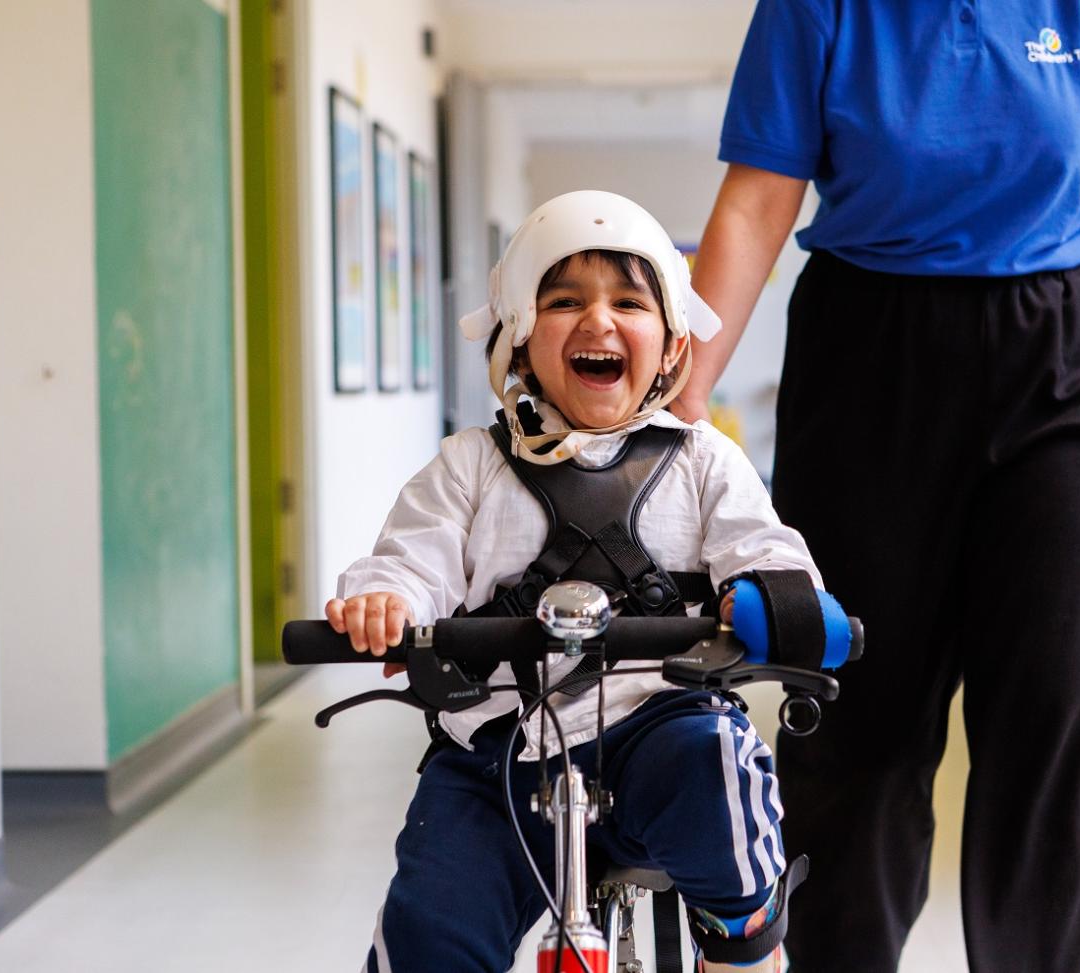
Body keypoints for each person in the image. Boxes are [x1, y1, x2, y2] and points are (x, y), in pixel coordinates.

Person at [675, 2, 1080, 971]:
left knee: (1058, 713)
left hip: (1067, 355)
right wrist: (682, 404)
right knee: (859, 717)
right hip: (871, 355)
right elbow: (756, 200)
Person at [326, 191, 830, 973]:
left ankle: (743, 949)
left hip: (659, 721)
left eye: (629, 302)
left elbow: (764, 548)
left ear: (671, 343)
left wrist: (772, 596)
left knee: (719, 771)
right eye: (564, 302)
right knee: (430, 927)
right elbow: (413, 555)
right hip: (501, 747)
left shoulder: (703, 459)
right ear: (519, 338)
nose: (598, 320)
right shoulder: (471, 464)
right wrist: (388, 599)